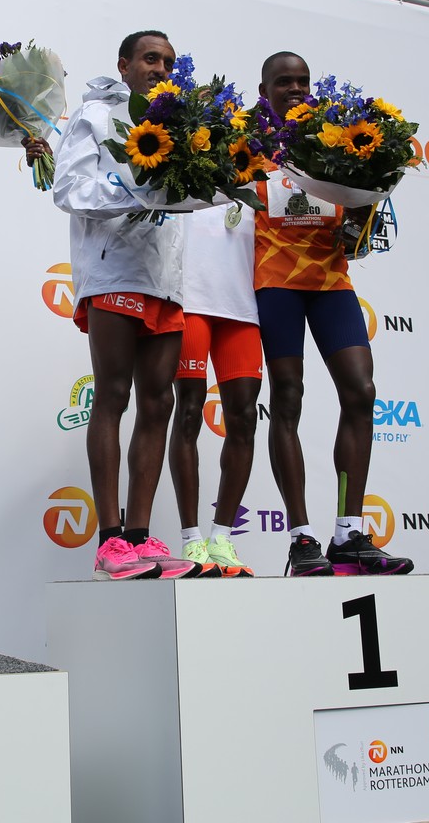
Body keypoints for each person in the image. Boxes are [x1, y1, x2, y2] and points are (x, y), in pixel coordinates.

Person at [51, 30, 204, 581]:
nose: (160, 68)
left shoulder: (184, 125)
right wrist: (140, 193)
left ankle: (139, 536)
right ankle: (109, 540)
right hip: (113, 269)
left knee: (158, 404)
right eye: (150, 58)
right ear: (124, 65)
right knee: (113, 396)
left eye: (168, 61)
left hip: (164, 278)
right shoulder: (94, 116)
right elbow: (69, 190)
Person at [254, 51, 413, 576]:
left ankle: (348, 533)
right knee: (288, 397)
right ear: (265, 89)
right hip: (275, 280)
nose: (295, 89)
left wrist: (364, 210)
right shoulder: (248, 140)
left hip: (329, 278)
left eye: (303, 81)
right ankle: (301, 539)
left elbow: (357, 215)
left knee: (361, 391)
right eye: (284, 82)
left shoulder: (334, 134)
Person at [167, 201, 261, 577]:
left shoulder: (265, 172)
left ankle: (221, 538)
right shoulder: (187, 162)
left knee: (245, 417)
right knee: (189, 410)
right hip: (191, 298)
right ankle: (191, 539)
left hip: (241, 305)